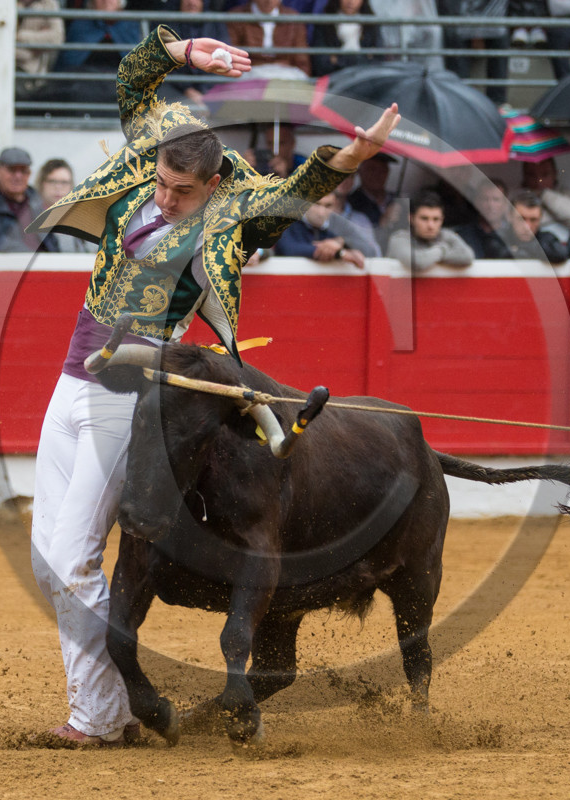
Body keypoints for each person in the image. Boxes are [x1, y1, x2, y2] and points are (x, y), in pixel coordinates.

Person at [23, 26, 400, 746]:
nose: (165, 198)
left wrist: (355, 154)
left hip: (132, 398)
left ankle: (98, 719)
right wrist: (183, 52)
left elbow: (299, 187)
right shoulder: (154, 158)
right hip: (72, 378)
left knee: (73, 558)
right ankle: (109, 712)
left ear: (216, 186)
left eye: (182, 191)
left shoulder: (232, 216)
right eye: (161, 183)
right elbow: (133, 84)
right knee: (52, 563)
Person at [0, 148, 55, 253]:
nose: (18, 176)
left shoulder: (37, 202)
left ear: (29, 174)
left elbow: (52, 244)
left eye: (23, 171)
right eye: (12, 170)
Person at [276, 190, 380, 265]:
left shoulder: (339, 224)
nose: (321, 212)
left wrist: (341, 242)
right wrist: (339, 253)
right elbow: (289, 249)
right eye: (316, 204)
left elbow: (370, 251)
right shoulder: (286, 220)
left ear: (335, 205)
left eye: (328, 206)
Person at [438, 0, 509, 105]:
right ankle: (460, 100)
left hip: (491, 21)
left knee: (499, 41)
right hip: (458, 21)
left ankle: (497, 103)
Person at [387, 190, 474, 270]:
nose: (430, 225)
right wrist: (442, 250)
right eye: (424, 219)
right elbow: (417, 262)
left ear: (442, 220)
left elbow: (468, 256)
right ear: (411, 219)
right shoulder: (399, 238)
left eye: (436, 219)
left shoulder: (446, 235)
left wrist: (434, 257)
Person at [226, 0, 311, 75]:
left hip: (286, 73)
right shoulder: (236, 17)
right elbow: (234, 57)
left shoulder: (293, 18)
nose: (268, 1)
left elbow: (302, 61)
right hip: (251, 72)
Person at [36, 158, 96, 254]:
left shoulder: (84, 221)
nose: (58, 187)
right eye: (52, 181)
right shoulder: (29, 218)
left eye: (64, 182)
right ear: (42, 183)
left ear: (71, 186)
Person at [519, 157, 570, 240]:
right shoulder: (515, 197)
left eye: (545, 175)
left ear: (554, 174)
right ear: (524, 176)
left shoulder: (568, 194)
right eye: (532, 175)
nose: (538, 180)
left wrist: (544, 194)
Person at [311, 0, 381, 78]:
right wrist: (363, 59)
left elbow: (378, 61)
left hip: (365, 80)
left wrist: (337, 60)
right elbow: (321, 64)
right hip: (334, 80)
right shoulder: (324, 23)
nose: (350, 2)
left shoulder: (371, 23)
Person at [347, 152, 403, 246]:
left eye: (382, 171)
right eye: (371, 169)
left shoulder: (398, 200)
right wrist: (383, 222)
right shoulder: (351, 202)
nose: (377, 175)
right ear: (360, 172)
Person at [16, 0, 65, 97]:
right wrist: (30, 51)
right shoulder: (2, 4)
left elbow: (56, 39)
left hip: (33, 77)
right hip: (2, 69)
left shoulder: (49, 3)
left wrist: (19, 36)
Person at [506, 190, 568, 262]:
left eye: (533, 220)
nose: (527, 227)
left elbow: (561, 254)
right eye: (521, 219)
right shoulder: (499, 236)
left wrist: (519, 249)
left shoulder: (546, 238)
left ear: (540, 219)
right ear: (509, 216)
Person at [455, 179, 511, 259]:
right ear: (476, 202)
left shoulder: (513, 236)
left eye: (496, 200)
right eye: (485, 199)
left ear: (505, 204)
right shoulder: (463, 236)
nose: (490, 205)